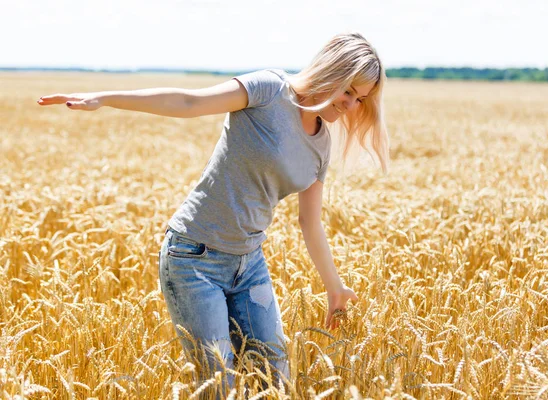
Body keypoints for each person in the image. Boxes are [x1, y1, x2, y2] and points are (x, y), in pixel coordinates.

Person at [38, 31, 389, 396]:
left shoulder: (321, 144)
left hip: (249, 264)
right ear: (329, 72)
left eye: (360, 99)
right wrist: (105, 99)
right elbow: (189, 102)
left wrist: (334, 288)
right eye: (348, 91)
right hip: (193, 258)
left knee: (276, 381)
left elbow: (310, 221)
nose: (351, 105)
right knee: (217, 384)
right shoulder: (269, 89)